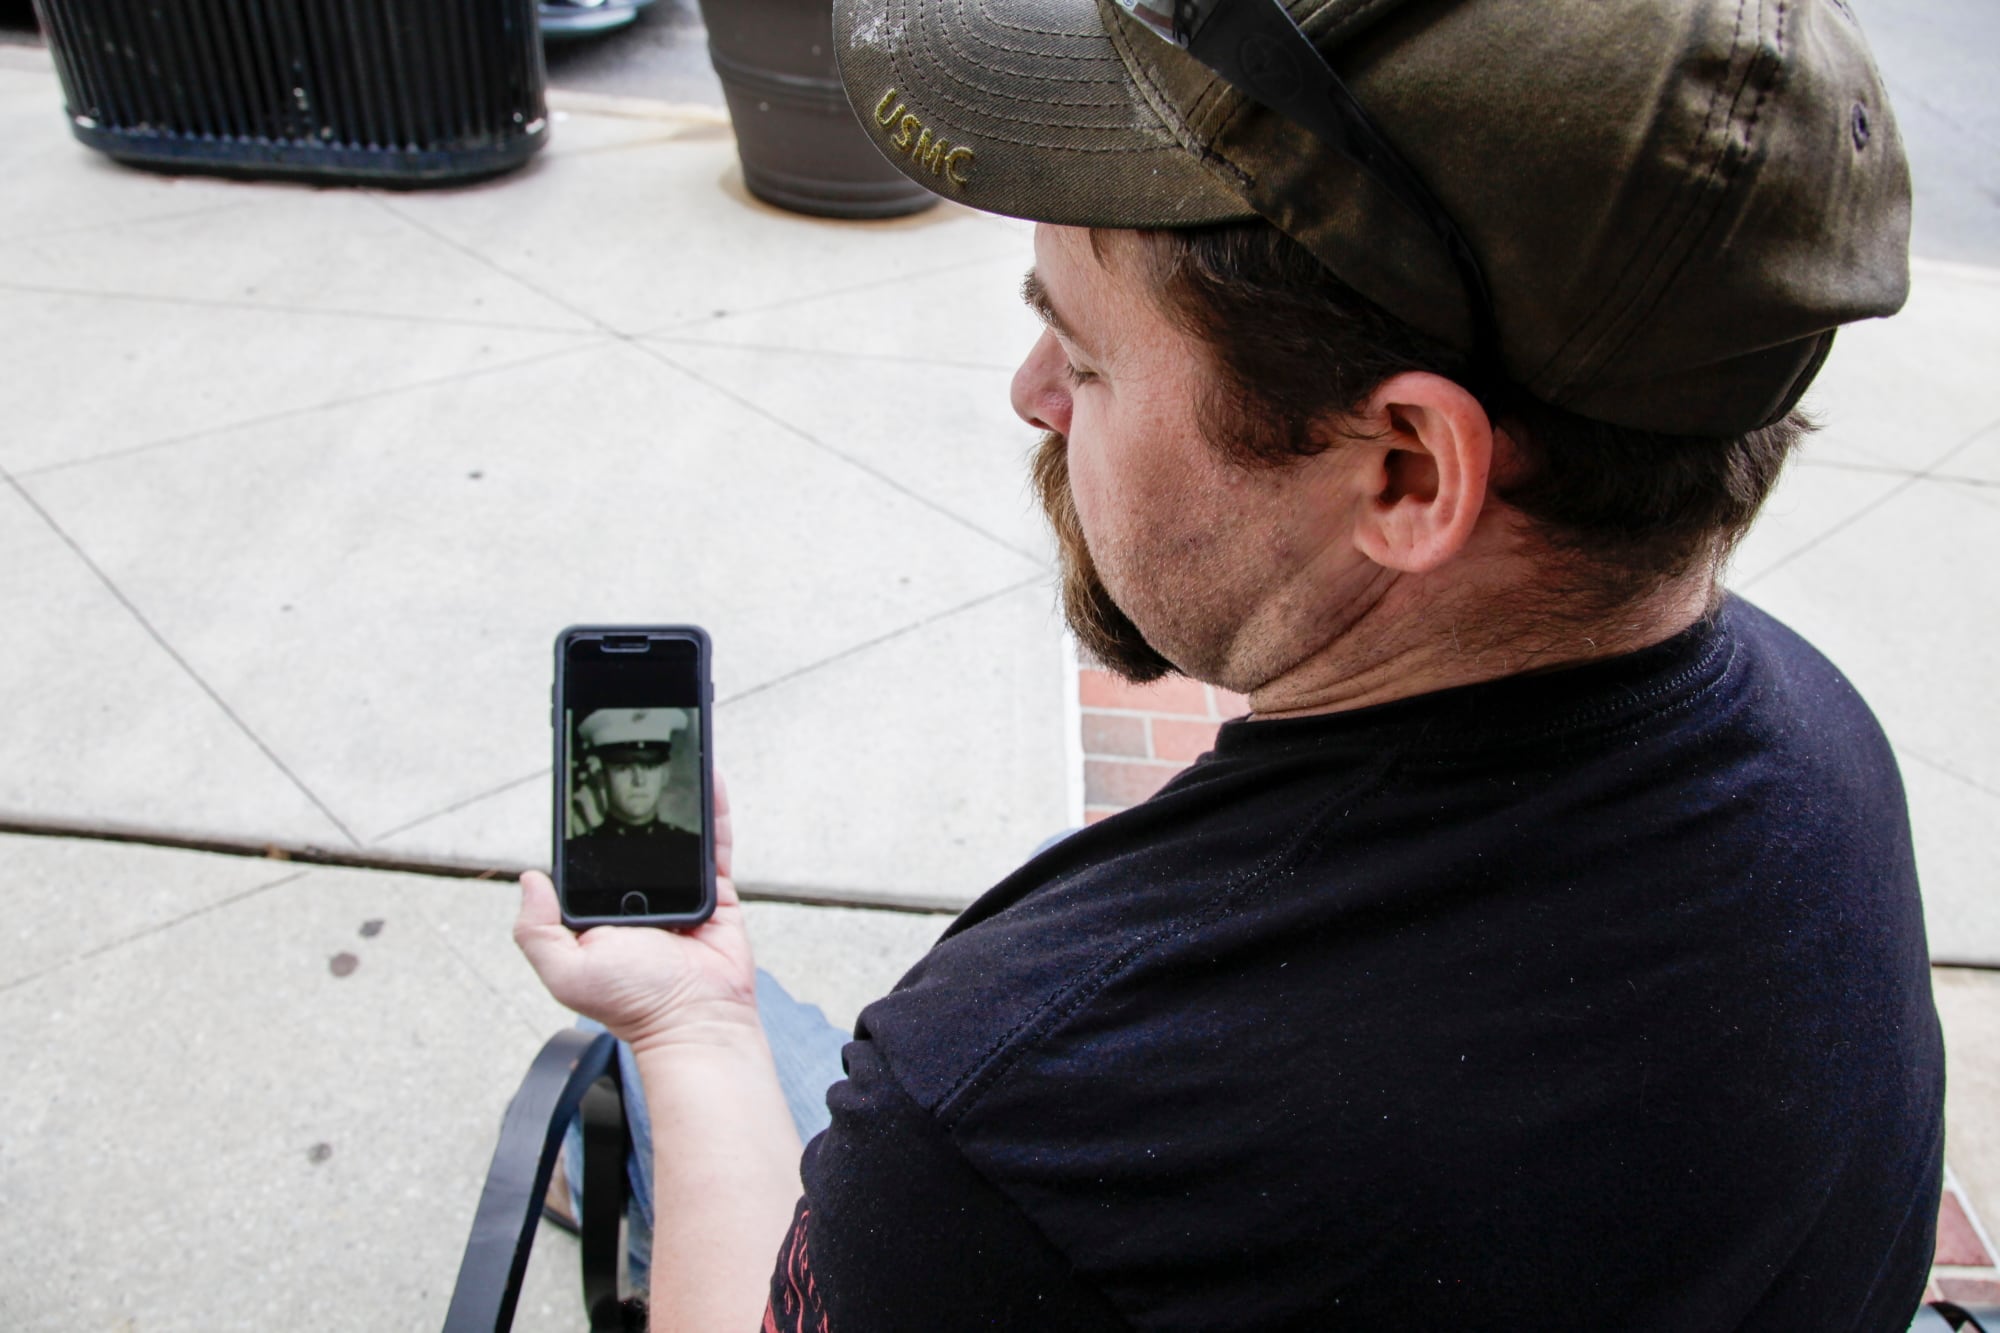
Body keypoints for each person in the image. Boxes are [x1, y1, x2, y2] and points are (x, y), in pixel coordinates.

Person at [515, 0, 1946, 1327]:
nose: (1030, 396)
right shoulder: (1828, 754)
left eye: (1078, 354)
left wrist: (691, 1027)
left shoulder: (1035, 1127)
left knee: (739, 1046)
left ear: (1403, 469)